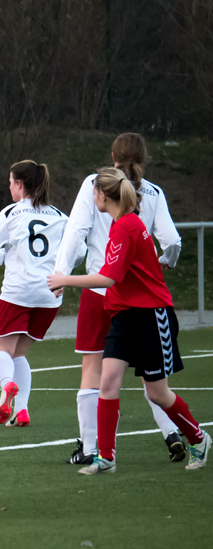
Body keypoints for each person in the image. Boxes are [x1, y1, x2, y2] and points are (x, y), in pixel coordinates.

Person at [48, 168, 209, 473]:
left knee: (156, 392)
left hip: (151, 314)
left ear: (102, 195)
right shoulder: (119, 224)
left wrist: (64, 279)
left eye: (93, 191)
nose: (90, 196)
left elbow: (108, 278)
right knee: (107, 382)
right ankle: (106, 457)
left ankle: (199, 439)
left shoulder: (126, 226)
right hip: (123, 314)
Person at [0, 161, 67, 427]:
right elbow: (75, 251)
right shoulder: (60, 216)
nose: (9, 187)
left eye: (11, 182)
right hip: (49, 295)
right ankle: (21, 411)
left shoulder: (12, 212)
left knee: (0, 349)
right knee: (19, 354)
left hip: (18, 292)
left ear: (20, 185)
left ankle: (7, 385)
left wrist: (0, 255)